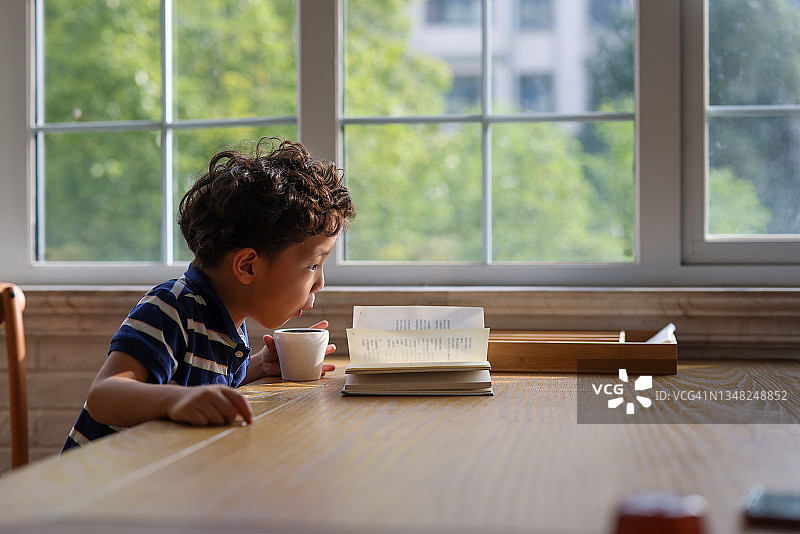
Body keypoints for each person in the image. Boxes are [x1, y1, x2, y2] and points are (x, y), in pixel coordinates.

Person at [62, 138, 356, 451]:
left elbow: (208, 381)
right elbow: (104, 396)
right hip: (100, 476)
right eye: (313, 265)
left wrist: (260, 366)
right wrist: (177, 400)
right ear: (247, 266)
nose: (320, 282)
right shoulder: (171, 308)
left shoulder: (227, 320)